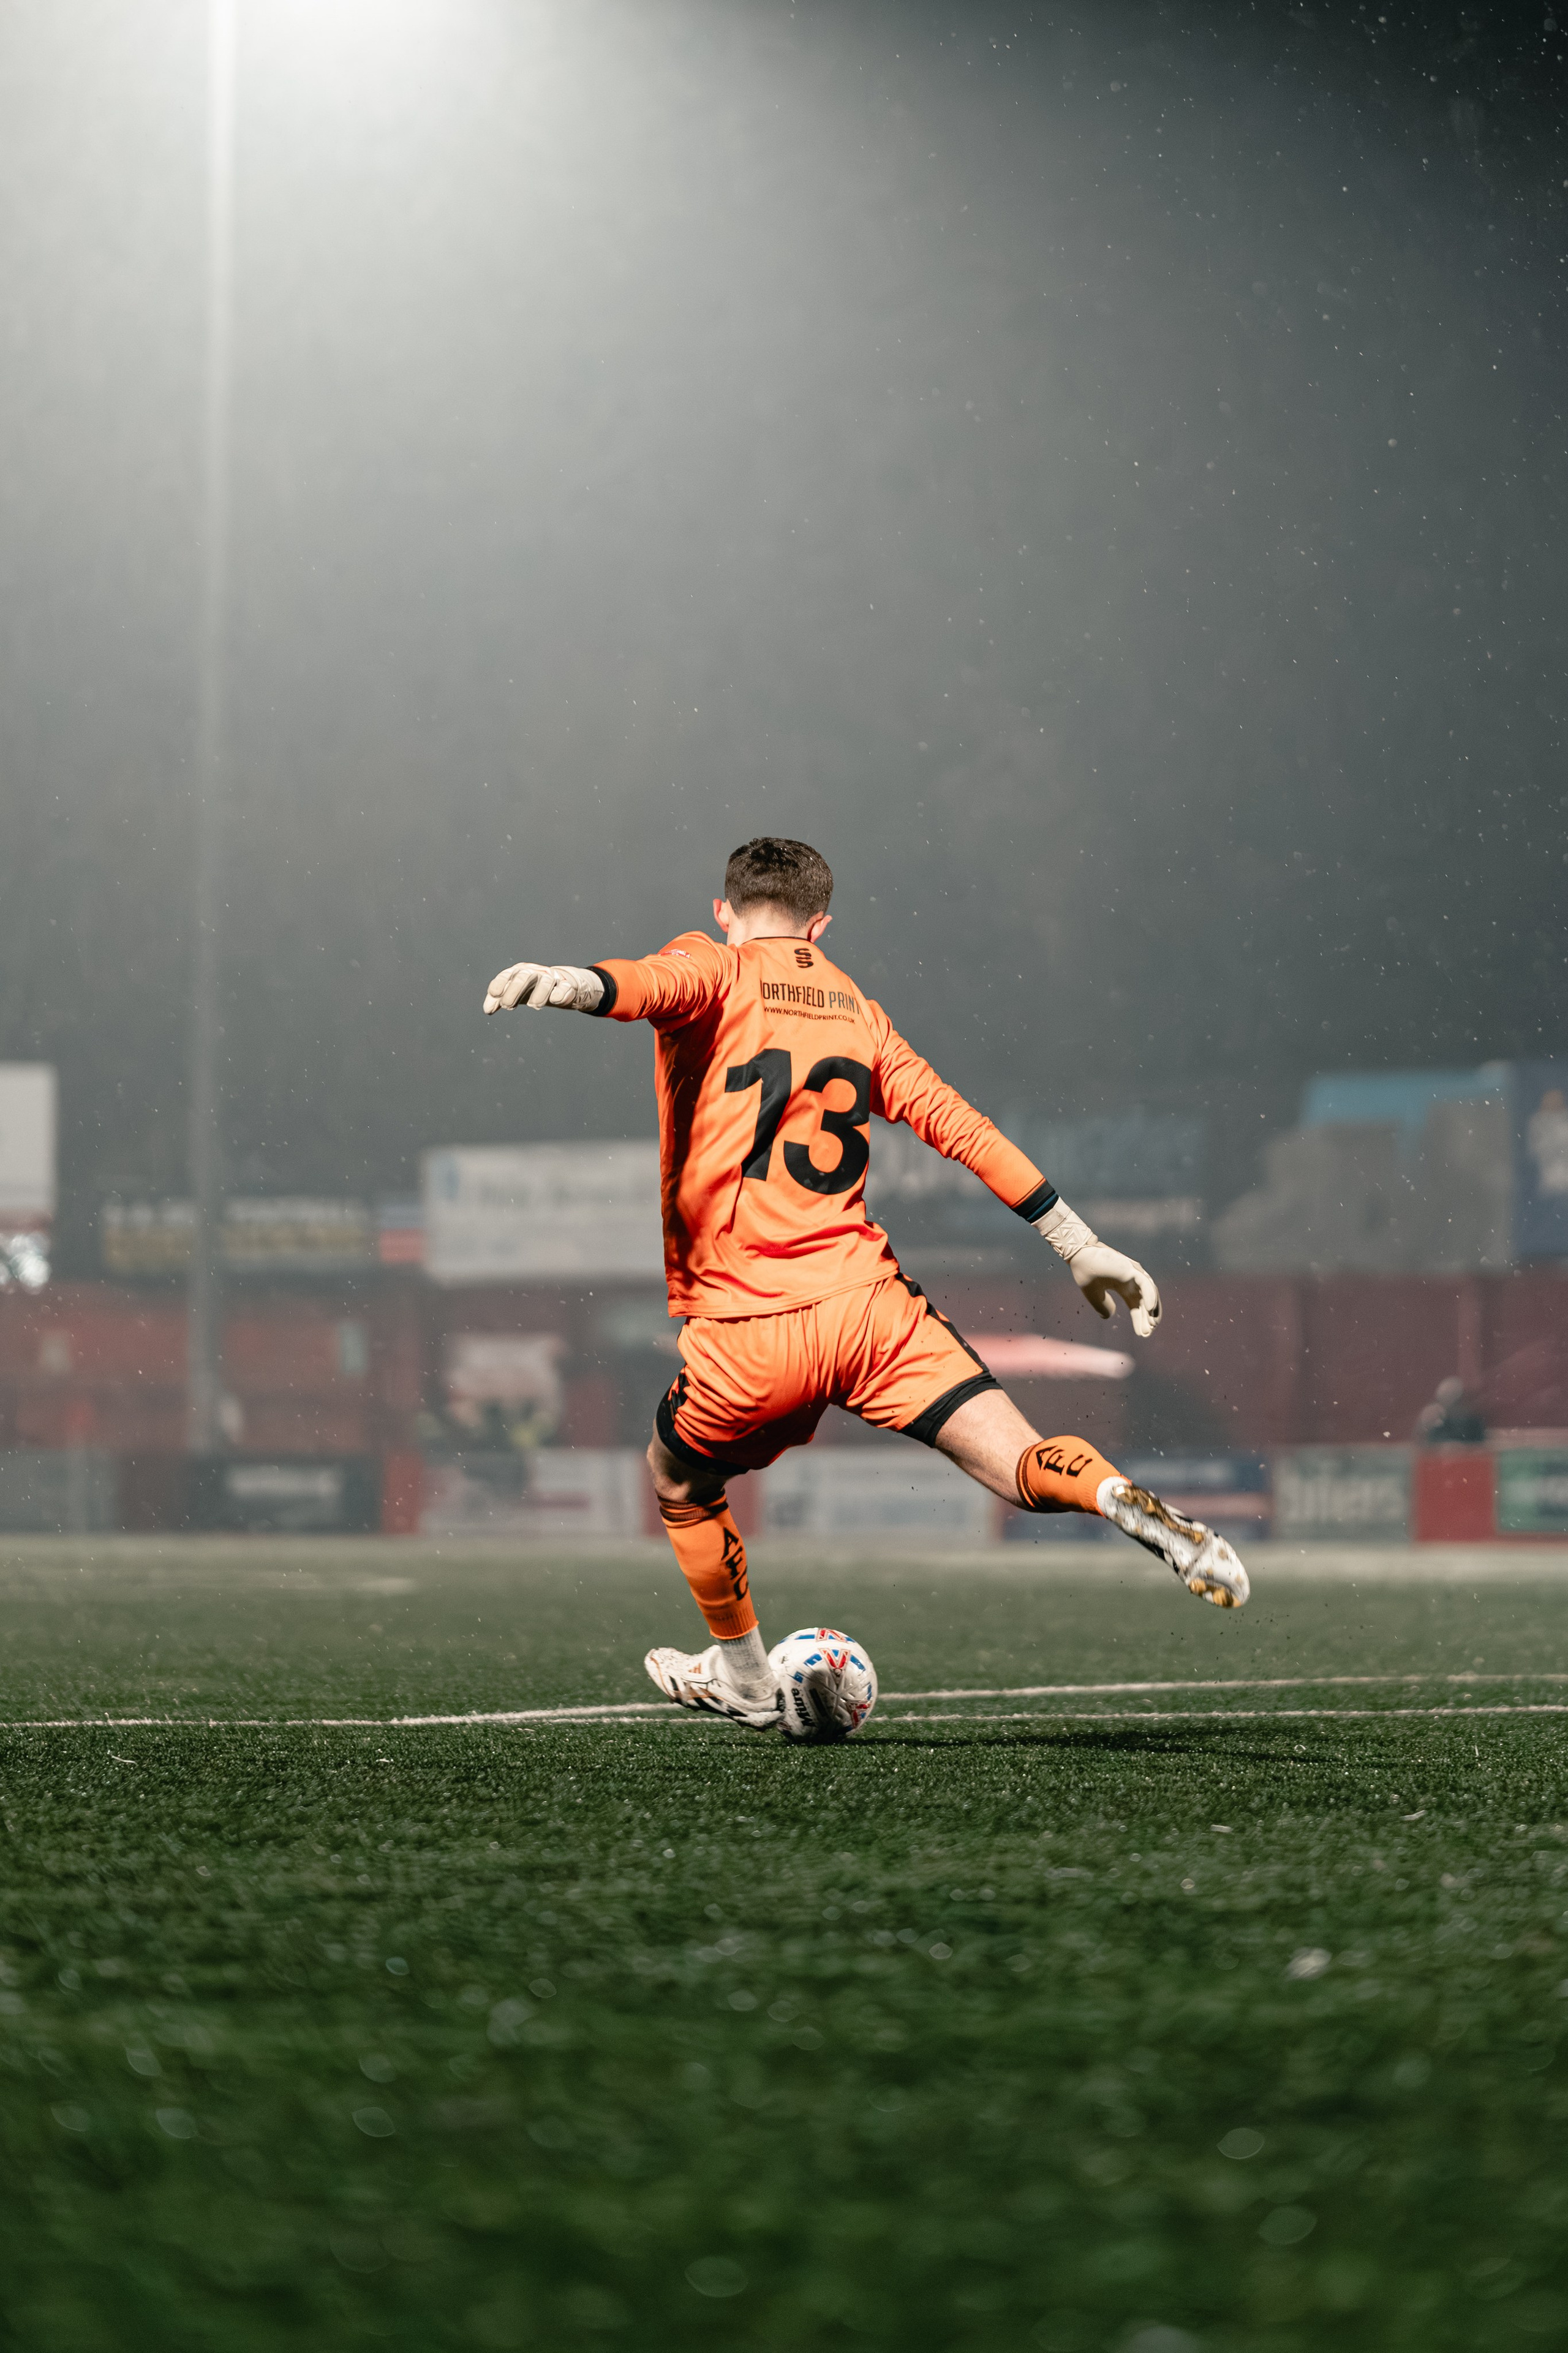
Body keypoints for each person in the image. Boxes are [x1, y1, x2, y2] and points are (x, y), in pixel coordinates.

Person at [484, 836, 1249, 1734]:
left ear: (727, 910)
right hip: (869, 1307)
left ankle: (739, 1672)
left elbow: (651, 983)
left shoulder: (713, 963)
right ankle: (1117, 1496)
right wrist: (1077, 1242)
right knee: (1019, 1461)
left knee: (678, 1479)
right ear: (821, 923)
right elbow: (958, 1124)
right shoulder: (858, 1011)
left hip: (747, 1327)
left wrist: (577, 983)